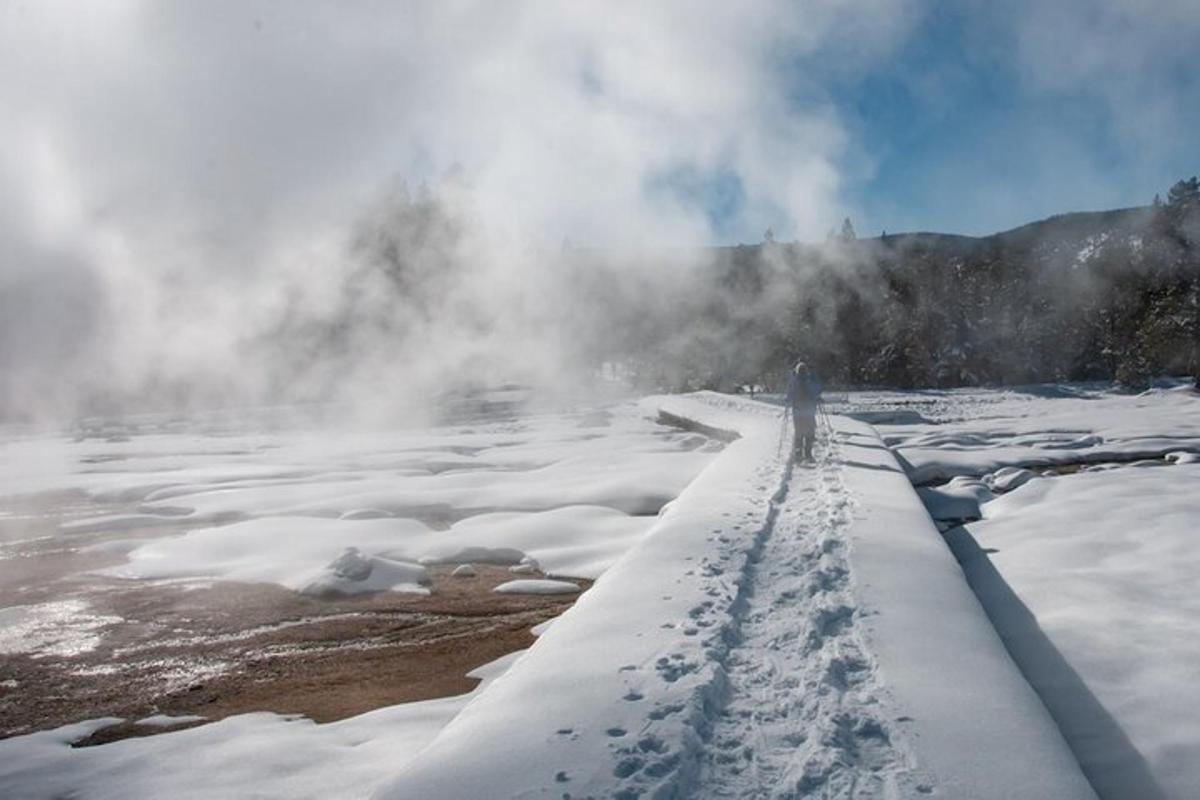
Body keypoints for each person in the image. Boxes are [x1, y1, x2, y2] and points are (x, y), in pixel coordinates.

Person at [785, 360, 822, 462]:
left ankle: (798, 453)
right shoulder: (809, 380)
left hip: (797, 412)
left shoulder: (794, 381)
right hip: (809, 412)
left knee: (799, 432)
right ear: (806, 370)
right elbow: (817, 392)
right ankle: (808, 453)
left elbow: (789, 395)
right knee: (809, 432)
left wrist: (788, 402)